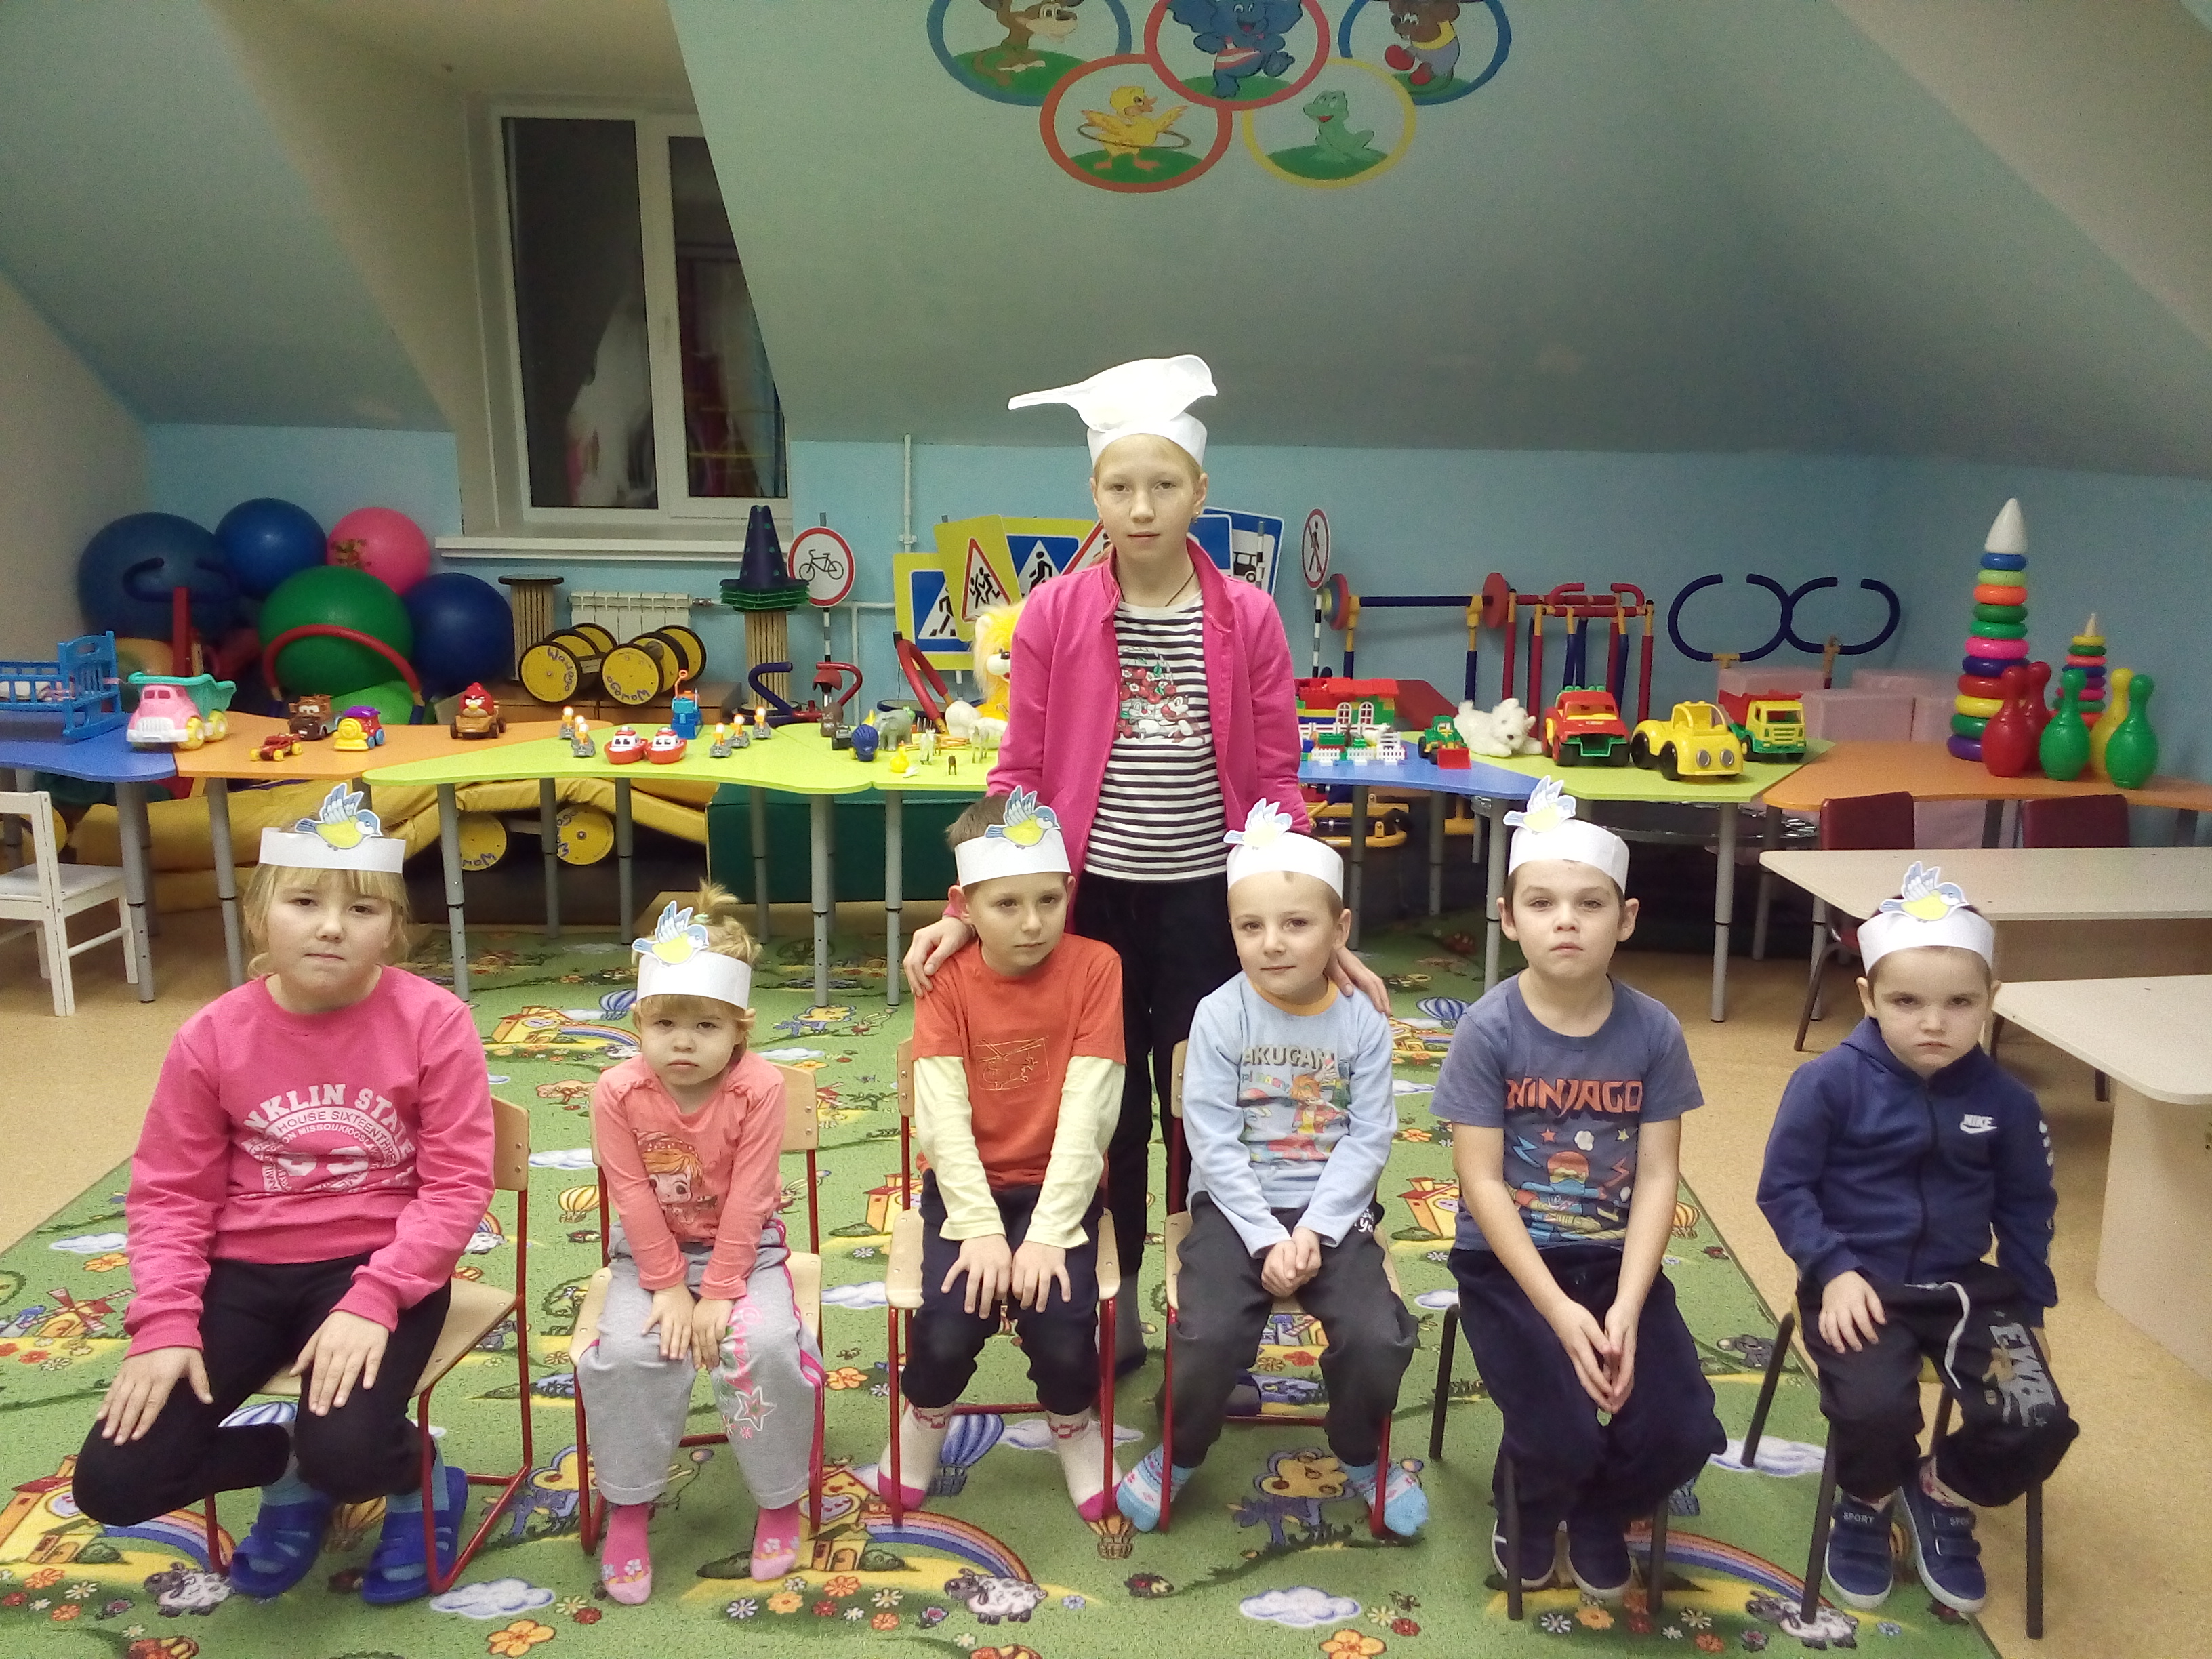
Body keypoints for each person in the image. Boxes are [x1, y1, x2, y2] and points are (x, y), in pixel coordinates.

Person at [903, 355, 1386, 1370]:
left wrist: (1319, 929)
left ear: (1199, 493)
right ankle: (1110, 1306)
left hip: (1213, 904)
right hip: (1093, 904)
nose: (1141, 507)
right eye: (1120, 486)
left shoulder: (1248, 617)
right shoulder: (1055, 614)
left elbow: (1278, 779)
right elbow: (1019, 774)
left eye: (1164, 485)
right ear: (1094, 492)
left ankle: (1213, 1301)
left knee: (1213, 1104)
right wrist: (963, 905)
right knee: (1106, 1105)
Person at [71, 785, 492, 1604]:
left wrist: (375, 1298)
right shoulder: (211, 1036)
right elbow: (170, 1195)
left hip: (380, 1265)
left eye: (362, 908)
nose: (332, 926)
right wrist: (164, 1321)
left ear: (392, 929)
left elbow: (456, 1186)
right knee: (114, 1483)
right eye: (305, 902)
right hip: (241, 1275)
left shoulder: (434, 1021)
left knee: (351, 1453)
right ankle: (287, 1464)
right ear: (261, 915)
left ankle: (419, 1473)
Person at [1430, 779, 1725, 1603]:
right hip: (1510, 1266)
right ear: (1508, 917)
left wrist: (1626, 1307)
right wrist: (1560, 1314)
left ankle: (1600, 1511)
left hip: (1614, 1261)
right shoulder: (1488, 1030)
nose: (1566, 921)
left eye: (1590, 904)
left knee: (1683, 1428)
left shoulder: (1654, 1031)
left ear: (1624, 919)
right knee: (1559, 1430)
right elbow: (1481, 1181)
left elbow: (1659, 1175)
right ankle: (1529, 1501)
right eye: (1543, 903)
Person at [1758, 863, 2076, 1616]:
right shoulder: (1828, 1083)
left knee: (2037, 1418)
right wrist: (1832, 1270)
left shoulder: (2007, 1101)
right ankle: (1867, 1499)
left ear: (1991, 999)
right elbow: (1785, 1189)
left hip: (1970, 1290)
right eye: (1907, 1002)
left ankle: (1940, 1488)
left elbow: (2028, 1208)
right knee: (1872, 1412)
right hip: (1856, 1285)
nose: (1935, 1023)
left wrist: (2031, 1308)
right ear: (1868, 997)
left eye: (1960, 1003)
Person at [1120, 801, 1422, 1534]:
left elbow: (1369, 1138)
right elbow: (1212, 1141)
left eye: (1296, 924)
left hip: (1334, 1213)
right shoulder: (1220, 1014)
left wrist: (1313, 1232)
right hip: (1235, 1209)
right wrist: (1264, 1236)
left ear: (1339, 930)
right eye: (1250, 927)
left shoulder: (1362, 1022)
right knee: (1207, 1334)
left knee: (1380, 1336)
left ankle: (1359, 1450)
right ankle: (1181, 1449)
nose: (1272, 943)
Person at [865, 790, 1126, 1520]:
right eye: (1007, 904)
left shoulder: (1096, 967)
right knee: (948, 1325)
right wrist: (980, 1228)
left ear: (1069, 891)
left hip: (1061, 1188)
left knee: (1065, 1327)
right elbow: (941, 1116)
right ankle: (925, 1419)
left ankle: (1073, 1425)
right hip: (966, 1189)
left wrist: (1048, 1233)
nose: (1033, 923)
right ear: (965, 906)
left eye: (1049, 900)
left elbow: (1091, 1110)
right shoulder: (945, 977)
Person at [576, 888, 824, 1601]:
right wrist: (666, 1287)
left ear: (741, 1029)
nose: (682, 1042)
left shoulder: (760, 1088)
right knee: (628, 1353)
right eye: (665, 1023)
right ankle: (629, 1507)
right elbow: (630, 1194)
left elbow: (751, 1196)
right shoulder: (616, 1091)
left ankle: (779, 1500)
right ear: (639, 1022)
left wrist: (717, 1292)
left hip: (747, 1254)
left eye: (706, 1025)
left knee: (765, 1347)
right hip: (648, 1257)